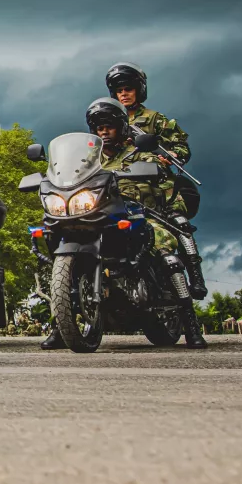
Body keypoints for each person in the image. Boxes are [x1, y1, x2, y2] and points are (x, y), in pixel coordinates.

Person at [43, 99, 205, 350]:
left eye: (109, 126)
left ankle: (191, 325)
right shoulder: (89, 160)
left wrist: (157, 168)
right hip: (99, 215)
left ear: (121, 128)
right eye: (99, 128)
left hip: (141, 214)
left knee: (165, 251)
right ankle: (60, 325)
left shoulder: (141, 153)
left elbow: (163, 180)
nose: (104, 132)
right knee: (53, 245)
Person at [106, 62, 203, 297]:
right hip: (121, 186)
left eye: (128, 89)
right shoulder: (107, 121)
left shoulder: (155, 119)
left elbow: (181, 148)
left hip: (158, 186)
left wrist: (171, 157)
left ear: (138, 90)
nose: (124, 94)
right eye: (119, 90)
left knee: (178, 221)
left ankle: (196, 277)